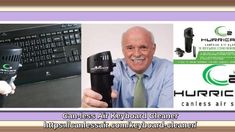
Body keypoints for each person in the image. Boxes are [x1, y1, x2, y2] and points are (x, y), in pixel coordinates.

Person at [82, 26, 173, 108]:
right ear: (123, 50)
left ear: (153, 49)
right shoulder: (111, 68)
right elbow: (102, 99)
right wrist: (93, 103)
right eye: (130, 48)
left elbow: (167, 116)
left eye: (143, 47)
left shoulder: (169, 70)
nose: (137, 54)